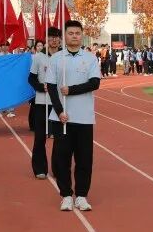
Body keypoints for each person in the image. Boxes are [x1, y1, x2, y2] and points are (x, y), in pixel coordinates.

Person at [46, 20, 100, 212]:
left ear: (82, 35)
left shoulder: (90, 58)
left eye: (78, 33)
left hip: (84, 118)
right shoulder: (56, 59)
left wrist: (71, 90)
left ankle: (82, 196)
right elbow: (51, 87)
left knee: (84, 159)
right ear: (65, 36)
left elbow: (94, 83)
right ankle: (66, 195)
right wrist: (59, 111)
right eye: (71, 33)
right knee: (62, 159)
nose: (74, 36)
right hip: (62, 118)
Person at [28, 27, 61, 180]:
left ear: (60, 39)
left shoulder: (63, 56)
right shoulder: (39, 57)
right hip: (42, 102)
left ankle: (58, 168)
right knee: (40, 137)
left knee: (60, 138)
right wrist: (42, 87)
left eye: (57, 37)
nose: (54, 40)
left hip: (59, 103)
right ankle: (40, 168)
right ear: (47, 39)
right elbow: (31, 78)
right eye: (51, 37)